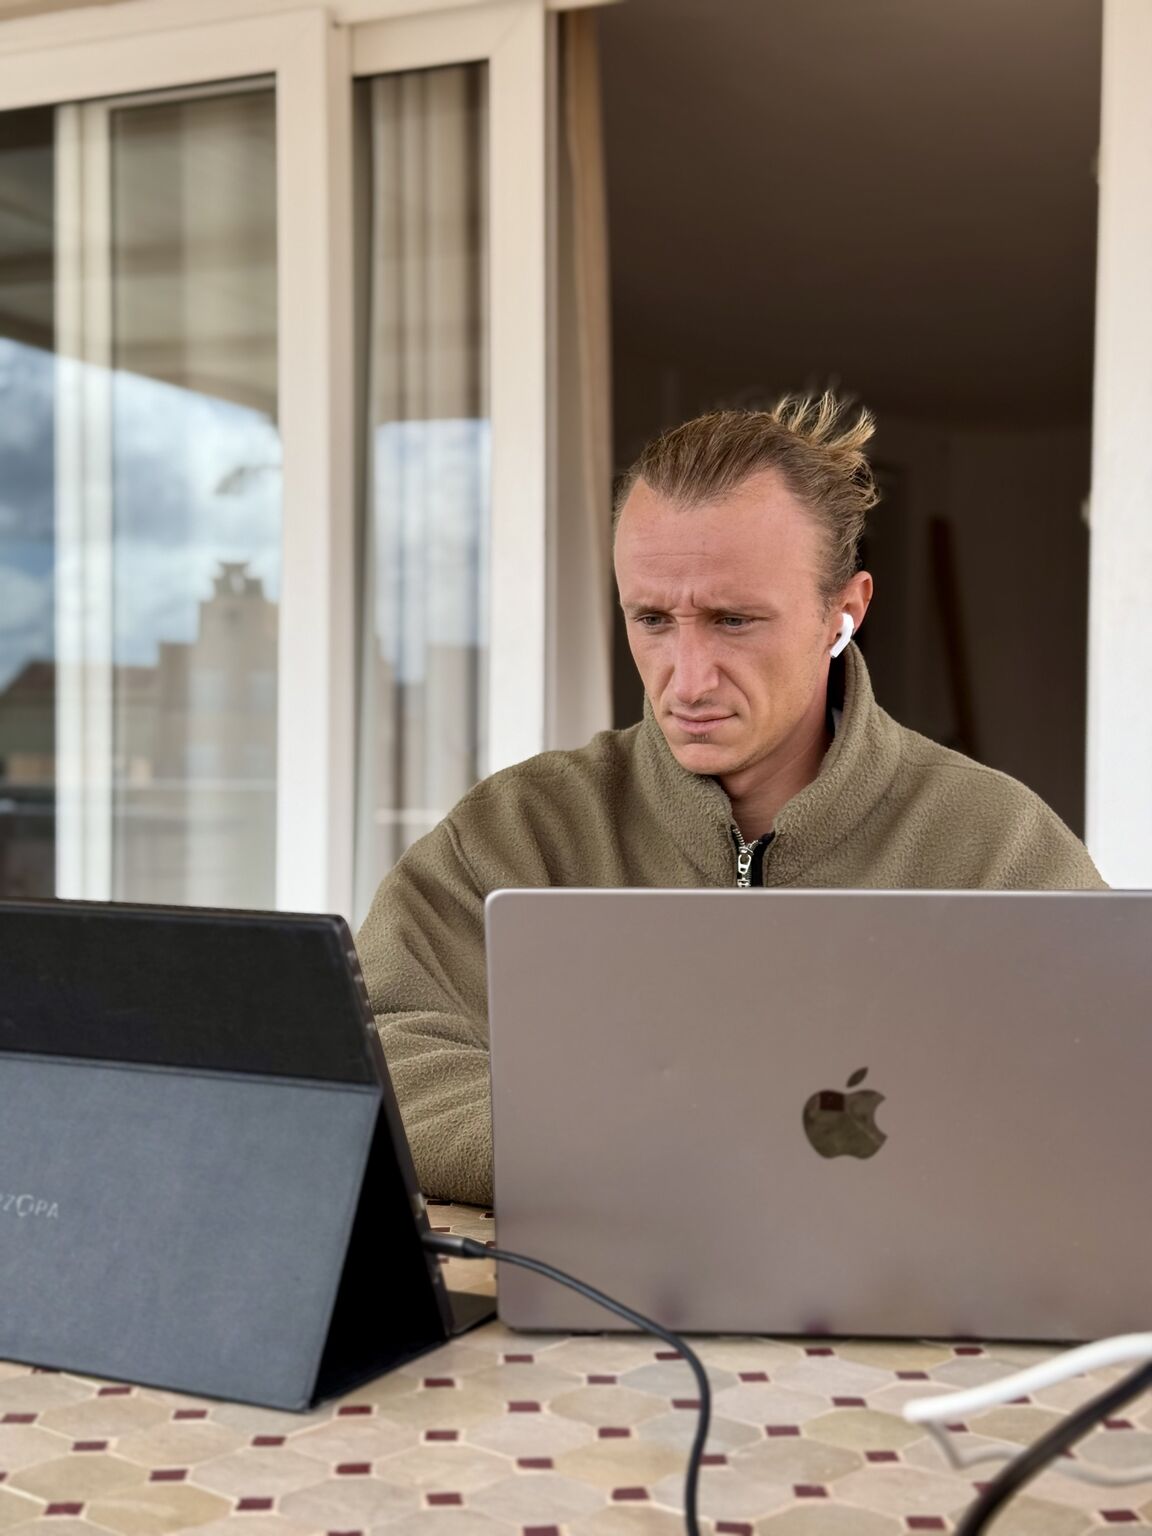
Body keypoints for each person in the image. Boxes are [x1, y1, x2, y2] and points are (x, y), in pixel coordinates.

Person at [357, 394, 1105, 1206]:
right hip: (591, 1278)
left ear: (844, 612)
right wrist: (631, 1157)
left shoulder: (998, 844)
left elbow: (1107, 1085)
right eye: (652, 619)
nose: (688, 680)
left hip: (912, 1283)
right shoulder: (517, 831)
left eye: (734, 620)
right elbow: (380, 1046)